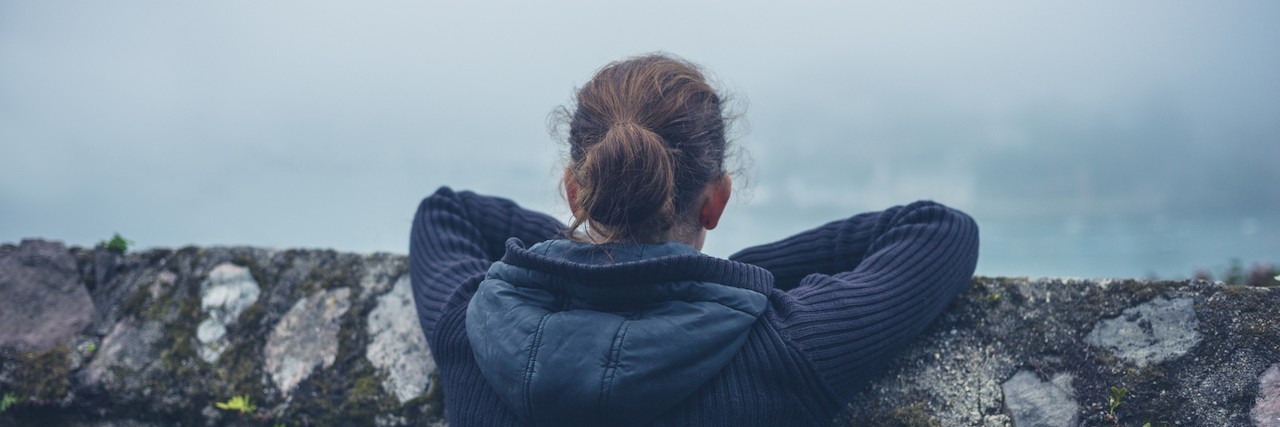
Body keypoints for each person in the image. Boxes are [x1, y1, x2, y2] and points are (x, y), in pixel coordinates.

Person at [410, 53, 979, 426]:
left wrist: (585, 255)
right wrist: (736, 273)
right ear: (717, 199)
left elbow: (448, 212)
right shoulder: (787, 346)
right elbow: (939, 232)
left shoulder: (471, 327)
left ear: (575, 193)